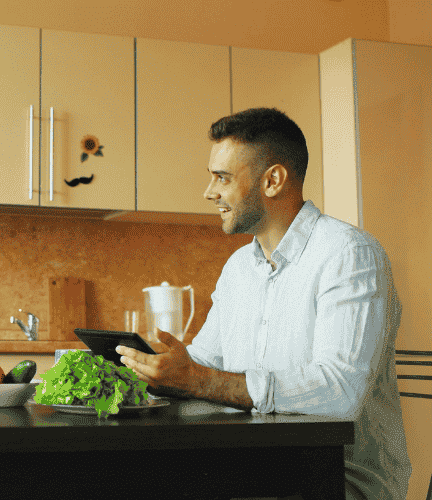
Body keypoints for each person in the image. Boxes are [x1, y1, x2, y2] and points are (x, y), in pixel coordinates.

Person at [117, 108, 411, 500]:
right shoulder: (238, 268)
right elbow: (206, 364)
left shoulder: (350, 254)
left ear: (272, 180)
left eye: (222, 177)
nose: (209, 192)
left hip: (338, 479)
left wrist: (197, 379)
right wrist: (157, 368)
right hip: (258, 466)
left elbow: (342, 391)